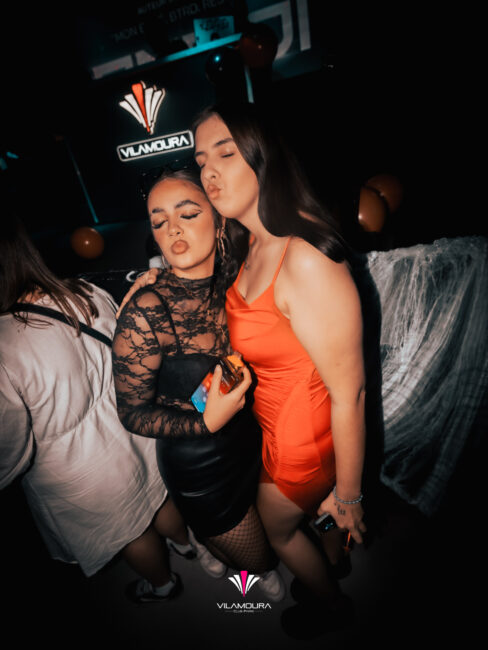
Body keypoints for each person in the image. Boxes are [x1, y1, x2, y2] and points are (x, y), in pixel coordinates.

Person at [0, 214, 224, 605]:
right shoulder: (82, 291)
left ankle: (163, 585)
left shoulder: (5, 345)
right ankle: (188, 545)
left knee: (131, 532)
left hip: (82, 471)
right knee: (156, 496)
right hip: (131, 428)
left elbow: (11, 448)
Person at [111, 168, 285, 602]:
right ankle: (214, 544)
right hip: (201, 468)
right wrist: (204, 423)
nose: (172, 229)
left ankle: (207, 540)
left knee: (265, 530)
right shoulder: (147, 310)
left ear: (219, 220)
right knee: (261, 560)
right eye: (159, 221)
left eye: (187, 214)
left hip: (255, 443)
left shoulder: (241, 279)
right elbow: (131, 413)